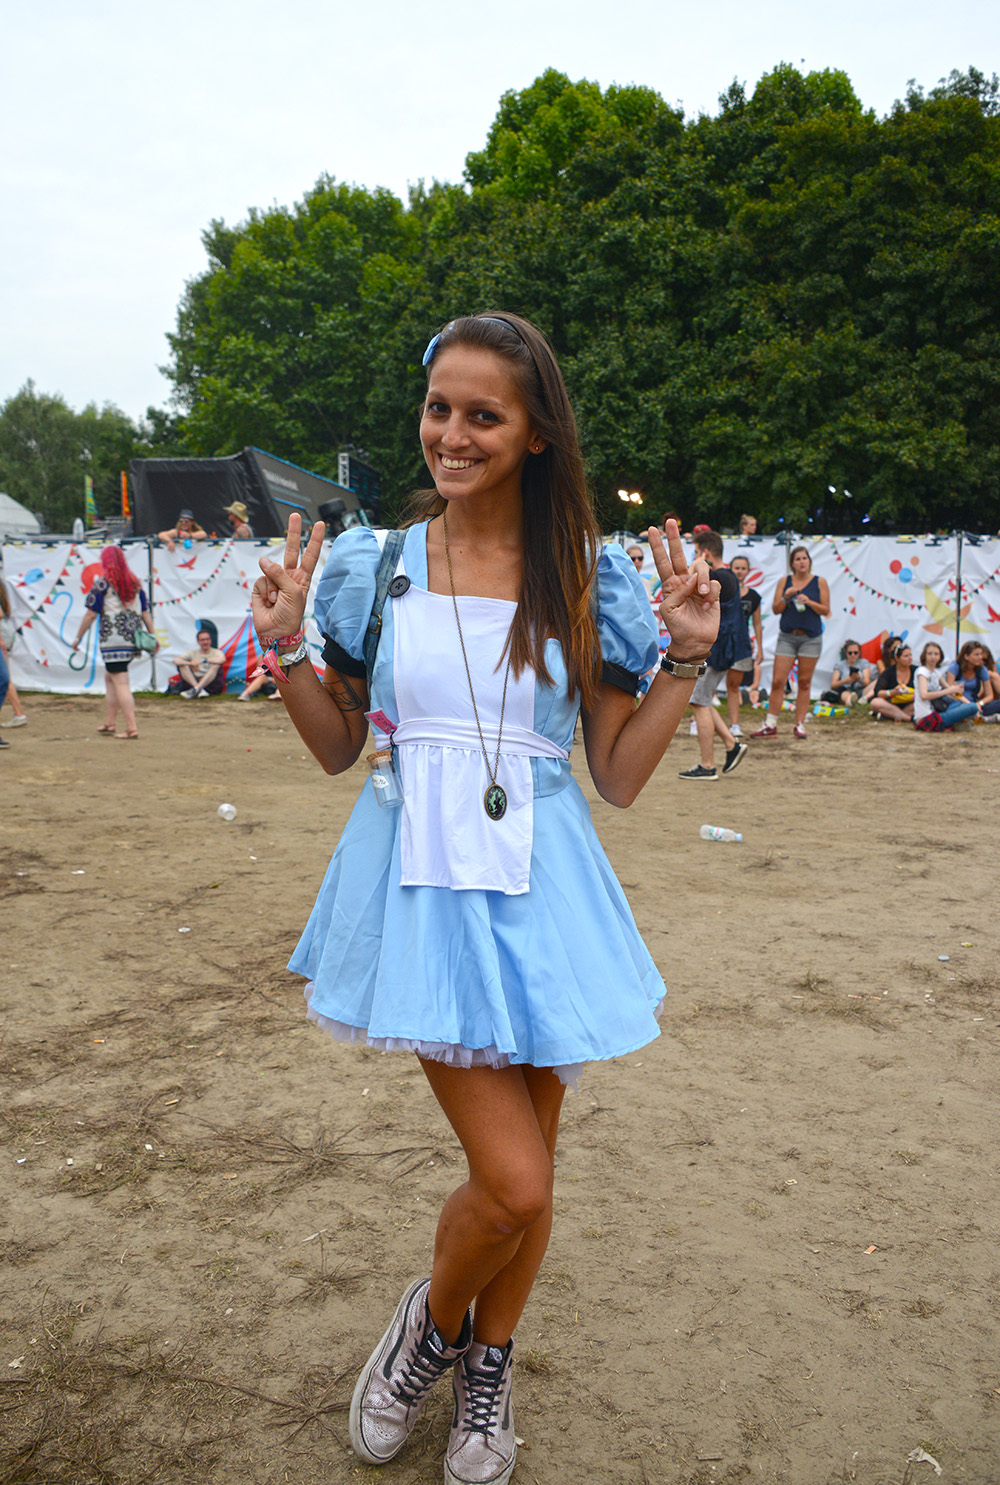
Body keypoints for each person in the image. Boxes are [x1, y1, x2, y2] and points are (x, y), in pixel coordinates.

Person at [249, 311, 722, 1484]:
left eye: (482, 416)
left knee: (532, 1173)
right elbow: (336, 748)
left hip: (544, 888)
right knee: (513, 1180)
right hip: (421, 886)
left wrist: (684, 660)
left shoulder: (586, 576)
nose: (450, 435)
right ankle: (430, 1326)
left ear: (536, 434)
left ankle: (482, 1369)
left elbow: (617, 774)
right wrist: (286, 648)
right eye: (438, 409)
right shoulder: (377, 564)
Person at [678, 531, 748, 780]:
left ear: (706, 552)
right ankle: (731, 745)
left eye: (697, 552)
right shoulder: (727, 577)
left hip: (715, 652)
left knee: (699, 702)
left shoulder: (719, 577)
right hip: (720, 651)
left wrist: (696, 565)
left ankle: (707, 765)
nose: (694, 557)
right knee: (702, 700)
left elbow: (686, 584)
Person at [71, 546, 157, 739]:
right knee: (111, 677)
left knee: (121, 681)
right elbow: (145, 612)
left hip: (112, 640)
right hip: (131, 639)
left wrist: (78, 637)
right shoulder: (135, 583)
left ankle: (131, 728)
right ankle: (110, 723)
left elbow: (91, 614)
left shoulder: (103, 584)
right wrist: (153, 635)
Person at [751, 546, 830, 739]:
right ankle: (770, 724)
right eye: (797, 559)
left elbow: (825, 610)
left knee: (804, 682)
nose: (801, 562)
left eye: (804, 558)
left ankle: (800, 724)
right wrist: (786, 598)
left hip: (811, 638)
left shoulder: (819, 581)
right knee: (778, 681)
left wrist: (809, 602)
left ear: (809, 561)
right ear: (792, 563)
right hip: (787, 636)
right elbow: (776, 609)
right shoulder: (784, 581)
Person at [726, 554, 762, 729]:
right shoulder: (723, 592)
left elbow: (757, 623)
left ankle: (734, 725)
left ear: (748, 571)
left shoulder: (754, 596)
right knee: (707, 684)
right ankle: (697, 721)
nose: (740, 571)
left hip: (741, 644)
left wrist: (760, 648)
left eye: (743, 568)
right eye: (736, 568)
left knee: (734, 685)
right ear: (730, 569)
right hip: (721, 643)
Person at [913, 642, 978, 731]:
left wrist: (968, 702)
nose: (933, 657)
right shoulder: (922, 672)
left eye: (936, 654)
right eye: (929, 654)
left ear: (940, 656)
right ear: (924, 656)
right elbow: (924, 695)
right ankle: (958, 723)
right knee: (972, 707)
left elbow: (952, 691)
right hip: (927, 717)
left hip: (938, 713)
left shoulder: (936, 673)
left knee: (962, 705)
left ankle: (957, 723)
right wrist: (948, 691)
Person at [0, 576, 27, 733]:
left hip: (1, 635)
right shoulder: (2, 590)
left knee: (4, 678)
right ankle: (19, 713)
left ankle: (19, 713)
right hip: (5, 632)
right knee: (4, 677)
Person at [945, 641, 996, 718]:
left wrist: (979, 704)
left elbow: (990, 696)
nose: (980, 657)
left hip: (975, 703)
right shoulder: (955, 667)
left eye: (981, 654)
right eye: (976, 654)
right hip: (957, 702)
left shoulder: (982, 670)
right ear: (966, 656)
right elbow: (949, 693)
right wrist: (968, 704)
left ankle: (974, 714)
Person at [870, 642, 916, 722]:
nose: (910, 658)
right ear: (897, 658)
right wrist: (891, 692)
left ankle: (890, 715)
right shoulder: (889, 672)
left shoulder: (916, 670)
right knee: (875, 702)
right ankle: (908, 718)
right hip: (892, 704)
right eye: (906, 656)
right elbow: (878, 692)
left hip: (910, 704)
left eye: (910, 655)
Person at [173, 627, 226, 697]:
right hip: (194, 681)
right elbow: (176, 660)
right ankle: (198, 689)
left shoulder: (217, 652)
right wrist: (190, 663)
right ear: (198, 642)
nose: (205, 642)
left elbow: (222, 660)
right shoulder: (192, 653)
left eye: (207, 639)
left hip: (211, 684)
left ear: (210, 640)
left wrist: (204, 660)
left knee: (216, 665)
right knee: (182, 665)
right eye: (202, 640)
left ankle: (196, 689)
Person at [820, 640, 872, 708]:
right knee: (847, 695)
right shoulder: (840, 665)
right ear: (846, 653)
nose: (853, 655)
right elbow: (833, 685)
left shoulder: (864, 663)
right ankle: (852, 702)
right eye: (850, 653)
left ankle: (863, 699)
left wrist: (859, 678)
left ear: (859, 653)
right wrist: (845, 680)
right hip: (846, 690)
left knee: (876, 682)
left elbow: (867, 682)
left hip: (861, 690)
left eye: (855, 653)